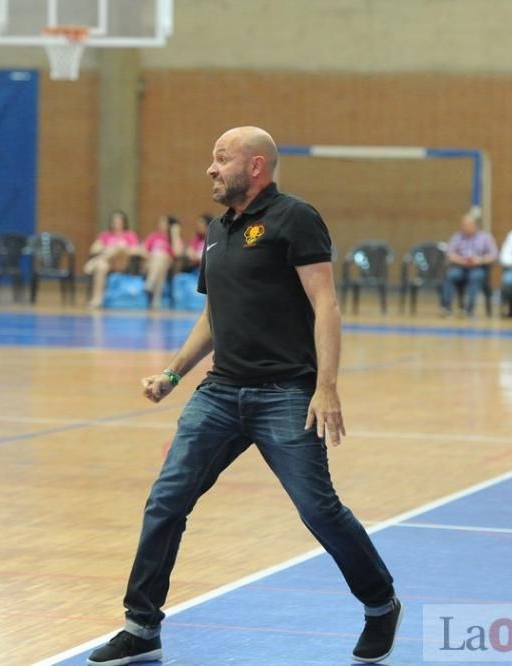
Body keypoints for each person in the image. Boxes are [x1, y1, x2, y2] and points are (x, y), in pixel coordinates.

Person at [86, 127, 401, 666]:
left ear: (256, 166)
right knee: (167, 501)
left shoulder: (295, 218)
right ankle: (141, 626)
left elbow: (326, 305)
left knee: (318, 510)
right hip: (220, 393)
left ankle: (379, 604)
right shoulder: (215, 231)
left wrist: (326, 387)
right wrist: (173, 373)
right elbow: (213, 315)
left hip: (285, 394)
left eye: (221, 158)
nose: (211, 168)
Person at [440, 212, 497, 316]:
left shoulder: (485, 237)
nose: (465, 227)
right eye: (464, 225)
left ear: (475, 225)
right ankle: (446, 307)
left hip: (478, 267)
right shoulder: (457, 237)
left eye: (468, 224)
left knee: (475, 277)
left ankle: (469, 309)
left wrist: (479, 260)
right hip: (460, 266)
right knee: (451, 275)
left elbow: (493, 255)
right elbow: (450, 253)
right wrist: (461, 260)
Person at [84, 209, 139, 308]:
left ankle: (94, 262)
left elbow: (135, 250)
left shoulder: (129, 235)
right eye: (114, 222)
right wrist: (108, 249)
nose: (116, 224)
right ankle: (97, 299)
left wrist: (119, 248)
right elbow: (93, 249)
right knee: (101, 266)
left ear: (124, 223)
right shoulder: (105, 235)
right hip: (108, 263)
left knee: (121, 246)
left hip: (122, 263)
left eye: (119, 222)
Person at [135, 214, 183, 308]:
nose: (161, 224)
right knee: (160, 258)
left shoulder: (173, 238)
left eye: (164, 222)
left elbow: (178, 253)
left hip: (166, 267)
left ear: (170, 225)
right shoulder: (153, 236)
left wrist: (175, 234)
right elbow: (141, 250)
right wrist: (152, 256)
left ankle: (150, 285)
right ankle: (156, 299)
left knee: (162, 261)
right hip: (149, 265)